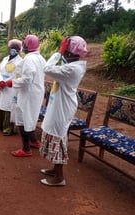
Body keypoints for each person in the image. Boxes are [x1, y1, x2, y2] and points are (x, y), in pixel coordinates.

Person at [39, 36, 88, 186]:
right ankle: (54, 169)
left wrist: (57, 54)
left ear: (70, 53)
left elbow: (46, 68)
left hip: (63, 107)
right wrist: (62, 53)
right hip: (59, 104)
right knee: (53, 134)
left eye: (65, 50)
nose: (63, 53)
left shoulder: (72, 68)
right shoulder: (72, 66)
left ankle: (59, 177)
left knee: (58, 138)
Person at [6, 34, 46, 157]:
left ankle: (26, 149)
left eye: (24, 43)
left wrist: (12, 82)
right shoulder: (41, 58)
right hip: (37, 93)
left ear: (28, 46)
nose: (22, 46)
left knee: (23, 118)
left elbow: (27, 79)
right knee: (31, 117)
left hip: (28, 93)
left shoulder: (29, 59)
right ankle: (34, 141)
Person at [0, 39, 23, 136]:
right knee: (1, 105)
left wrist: (6, 82)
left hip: (11, 87)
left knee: (9, 107)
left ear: (18, 49)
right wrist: (0, 81)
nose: (12, 49)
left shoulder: (20, 61)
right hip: (2, 86)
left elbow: (17, 75)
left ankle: (8, 128)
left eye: (14, 48)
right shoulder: (5, 59)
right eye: (11, 47)